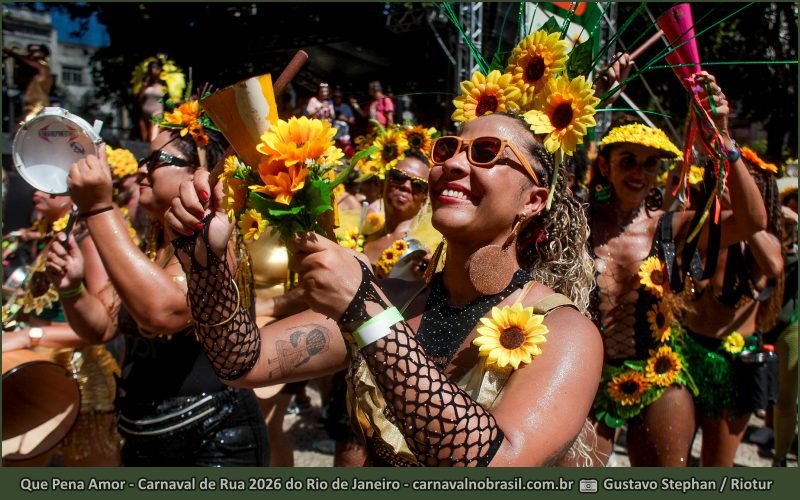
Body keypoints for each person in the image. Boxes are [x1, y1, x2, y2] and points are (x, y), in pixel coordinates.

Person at [165, 111, 603, 467]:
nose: (452, 163)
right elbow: (242, 361)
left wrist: (365, 310)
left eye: (486, 153)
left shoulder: (567, 333)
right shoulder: (398, 297)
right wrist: (204, 263)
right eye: (448, 148)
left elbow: (497, 467)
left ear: (532, 201)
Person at [44, 99, 269, 466]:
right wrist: (71, 288)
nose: (141, 169)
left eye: (156, 161)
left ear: (199, 171)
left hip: (215, 441)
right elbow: (100, 325)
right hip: (143, 437)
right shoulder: (154, 249)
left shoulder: (217, 245)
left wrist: (99, 208)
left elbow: (163, 311)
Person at [587, 73, 769, 466]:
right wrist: (591, 98)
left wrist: (723, 137)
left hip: (660, 374)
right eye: (627, 161)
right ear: (605, 165)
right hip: (588, 377)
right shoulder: (579, 223)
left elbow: (754, 221)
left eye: (650, 164)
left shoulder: (674, 227)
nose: (639, 173)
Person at [682, 148, 785, 466]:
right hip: (688, 354)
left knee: (717, 465)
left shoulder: (762, 242)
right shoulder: (700, 230)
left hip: (735, 362)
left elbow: (774, 267)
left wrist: (743, 214)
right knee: (675, 456)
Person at [3, 43, 53, 122]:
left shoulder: (42, 67)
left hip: (37, 106)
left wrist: (11, 53)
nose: (31, 53)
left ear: (42, 54)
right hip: (32, 105)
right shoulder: (38, 70)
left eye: (35, 51)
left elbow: (25, 61)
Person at [137, 60, 165, 142]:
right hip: (145, 115)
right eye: (151, 69)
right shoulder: (145, 85)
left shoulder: (164, 84)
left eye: (156, 68)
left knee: (153, 139)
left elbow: (171, 100)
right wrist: (144, 86)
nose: (153, 70)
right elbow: (139, 100)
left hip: (157, 113)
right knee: (144, 140)